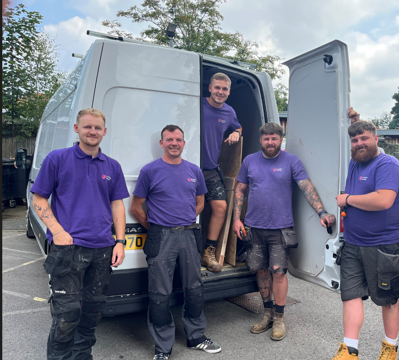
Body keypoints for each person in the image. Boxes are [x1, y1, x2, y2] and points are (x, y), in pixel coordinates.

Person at [31, 108, 129, 360]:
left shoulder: (112, 166)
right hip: (68, 250)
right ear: (77, 129)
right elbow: (39, 198)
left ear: (104, 132)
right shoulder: (57, 159)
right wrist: (58, 231)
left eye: (97, 128)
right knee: (66, 315)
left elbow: (117, 205)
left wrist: (120, 241)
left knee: (92, 313)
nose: (92, 131)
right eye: (87, 127)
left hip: (102, 250)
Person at [232, 122, 336, 341]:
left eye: (275, 138)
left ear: (281, 140)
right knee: (260, 271)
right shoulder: (249, 161)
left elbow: (306, 187)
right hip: (254, 227)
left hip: (281, 229)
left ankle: (279, 317)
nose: (271, 142)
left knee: (278, 272)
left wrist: (322, 212)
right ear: (261, 140)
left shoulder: (291, 162)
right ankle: (266, 313)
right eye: (266, 138)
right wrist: (236, 220)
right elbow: (240, 190)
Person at [130, 125, 221, 360]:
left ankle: (196, 337)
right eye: (169, 139)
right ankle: (163, 347)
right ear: (162, 143)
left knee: (194, 288)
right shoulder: (150, 171)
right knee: (159, 293)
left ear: (183, 143)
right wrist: (157, 227)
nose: (174, 143)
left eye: (178, 139)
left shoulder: (194, 171)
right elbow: (136, 207)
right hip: (161, 237)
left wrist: (184, 221)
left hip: (190, 235)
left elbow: (199, 203)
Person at [332, 120, 399, 360]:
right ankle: (349, 349)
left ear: (376, 137)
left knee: (388, 298)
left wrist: (348, 199)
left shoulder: (388, 164)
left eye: (364, 138)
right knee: (351, 295)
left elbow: (383, 200)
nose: (359, 143)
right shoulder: (356, 162)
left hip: (384, 245)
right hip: (353, 243)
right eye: (354, 140)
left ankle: (390, 347)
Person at [201, 72, 243, 273]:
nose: (220, 92)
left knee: (220, 207)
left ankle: (208, 252)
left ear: (228, 92)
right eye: (217, 87)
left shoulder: (229, 112)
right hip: (188, 166)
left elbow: (239, 127)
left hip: (209, 168)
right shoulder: (198, 105)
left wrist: (236, 132)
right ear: (210, 88)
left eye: (224, 89)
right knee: (189, 207)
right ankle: (185, 250)